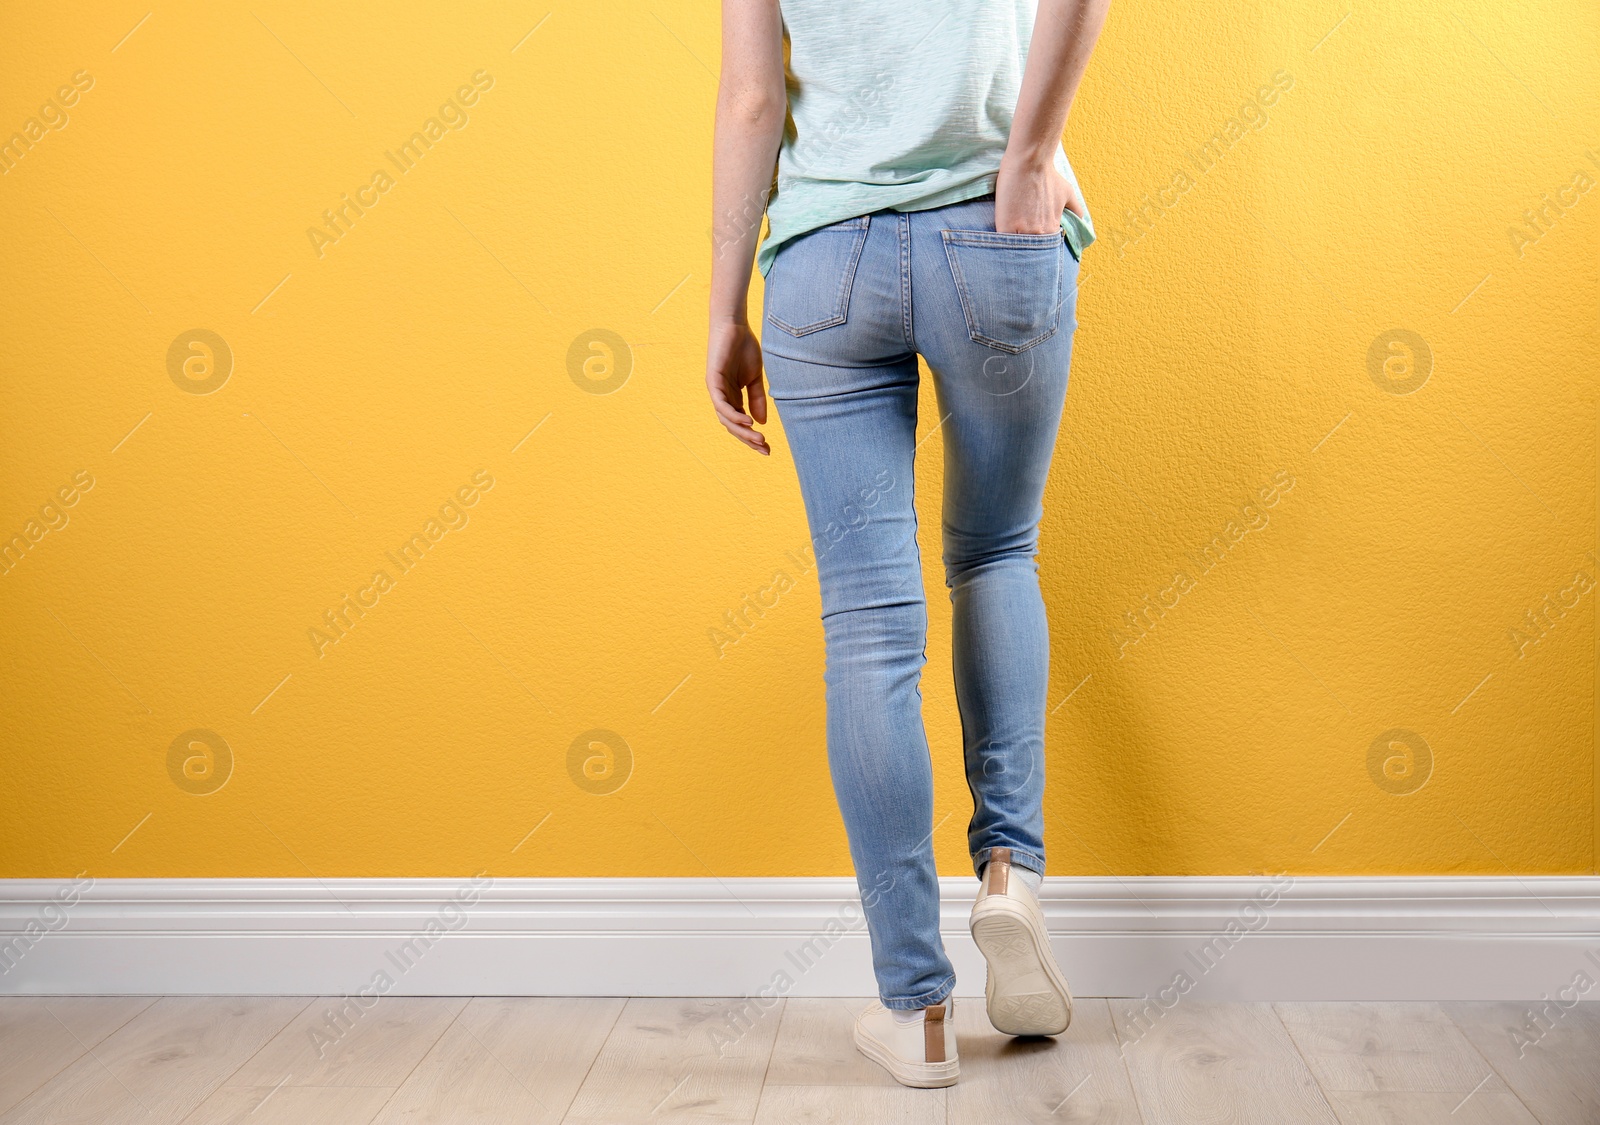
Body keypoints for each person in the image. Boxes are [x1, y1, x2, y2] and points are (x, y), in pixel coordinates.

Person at [704, 0, 1110, 1089]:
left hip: (820, 267)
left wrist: (722, 305)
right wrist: (1028, 158)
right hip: (997, 233)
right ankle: (1008, 875)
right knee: (995, 555)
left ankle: (915, 1010)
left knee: (869, 628)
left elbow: (751, 97)